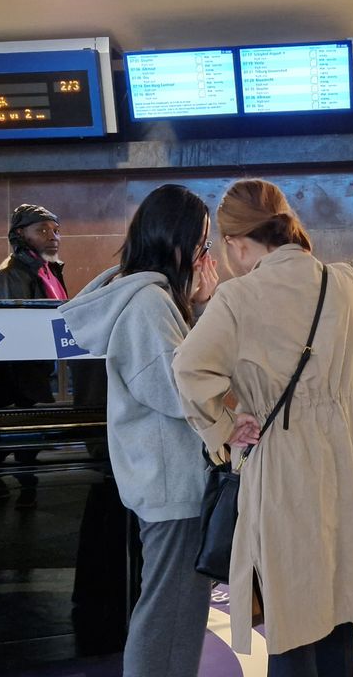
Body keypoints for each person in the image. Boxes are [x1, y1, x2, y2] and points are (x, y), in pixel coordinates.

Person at [173, 178, 353, 675]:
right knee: (342, 592)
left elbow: (189, 369)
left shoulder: (238, 298)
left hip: (287, 456)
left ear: (237, 242)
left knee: (293, 603)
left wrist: (226, 425)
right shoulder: (345, 281)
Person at [58, 184, 220, 677]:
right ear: (177, 242)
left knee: (173, 610)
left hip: (161, 477)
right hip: (172, 484)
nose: (205, 256)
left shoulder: (141, 294)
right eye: (202, 244)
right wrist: (210, 308)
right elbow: (179, 391)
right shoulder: (148, 303)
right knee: (169, 613)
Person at [0, 203, 67, 507]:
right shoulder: (11, 274)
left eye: (55, 230)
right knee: (11, 433)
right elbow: (7, 331)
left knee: (26, 434)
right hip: (14, 373)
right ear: (20, 234)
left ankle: (24, 487)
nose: (53, 236)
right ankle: (0, 485)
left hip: (34, 368)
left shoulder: (45, 270)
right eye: (42, 229)